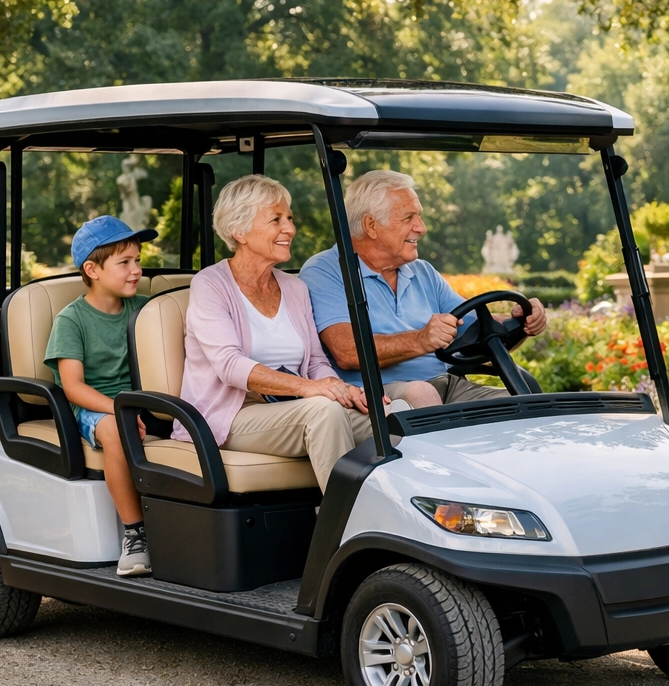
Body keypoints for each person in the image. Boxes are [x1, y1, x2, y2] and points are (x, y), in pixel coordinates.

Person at [176, 174, 408, 492]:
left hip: (290, 407)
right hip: (232, 415)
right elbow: (230, 366)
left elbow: (315, 362)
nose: (290, 229)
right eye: (276, 219)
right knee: (324, 411)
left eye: (289, 218)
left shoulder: (294, 287)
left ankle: (403, 524)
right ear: (238, 230)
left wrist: (344, 390)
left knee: (398, 415)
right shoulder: (211, 284)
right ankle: (344, 532)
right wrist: (310, 388)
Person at [301, 169, 547, 407]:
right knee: (422, 393)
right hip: (376, 395)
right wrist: (421, 340)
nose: (421, 227)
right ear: (371, 225)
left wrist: (522, 320)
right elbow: (348, 353)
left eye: (418, 216)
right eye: (409, 218)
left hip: (447, 384)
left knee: (524, 403)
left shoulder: (423, 272)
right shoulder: (326, 271)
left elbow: (479, 329)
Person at [44, 215, 158, 577]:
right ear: (92, 269)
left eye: (138, 261)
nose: (136, 270)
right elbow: (73, 387)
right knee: (113, 430)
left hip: (144, 402)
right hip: (96, 408)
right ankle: (134, 534)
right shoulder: (72, 320)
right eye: (124, 263)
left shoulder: (143, 309)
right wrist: (121, 411)